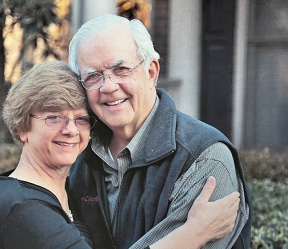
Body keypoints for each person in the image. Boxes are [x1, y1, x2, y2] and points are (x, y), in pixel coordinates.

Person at [0, 60, 239, 249]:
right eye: (54, 117)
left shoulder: (62, 191)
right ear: (23, 127)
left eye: (81, 118)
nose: (70, 130)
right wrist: (194, 233)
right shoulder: (24, 207)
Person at [67, 14, 252, 249]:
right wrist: (190, 234)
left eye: (121, 69)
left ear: (151, 72)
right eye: (93, 76)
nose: (109, 87)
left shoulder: (205, 156)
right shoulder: (82, 157)